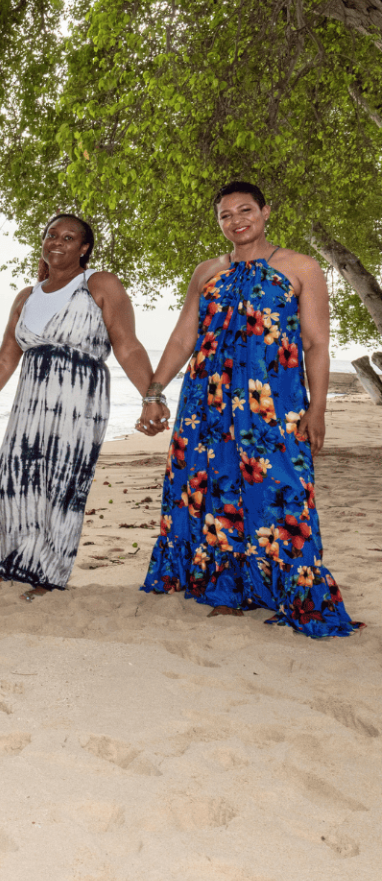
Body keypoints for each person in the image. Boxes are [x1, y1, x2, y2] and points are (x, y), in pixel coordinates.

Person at [138, 181, 358, 636]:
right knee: (215, 489)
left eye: (245, 210)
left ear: (265, 212)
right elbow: (184, 337)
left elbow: (316, 344)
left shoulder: (301, 267)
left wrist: (318, 409)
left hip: (275, 403)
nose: (236, 220)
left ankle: (290, 591)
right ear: (218, 223)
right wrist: (155, 390)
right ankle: (226, 590)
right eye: (225, 215)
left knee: (284, 490)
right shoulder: (206, 272)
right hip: (209, 400)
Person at [0, 215, 158, 595]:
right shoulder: (27, 296)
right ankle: (2, 563)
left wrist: (150, 397)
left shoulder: (99, 284)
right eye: (51, 234)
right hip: (30, 404)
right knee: (16, 478)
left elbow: (128, 345)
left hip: (79, 401)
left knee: (62, 481)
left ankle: (47, 574)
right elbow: (6, 356)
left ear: (84, 248)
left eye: (69, 237)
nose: (57, 241)